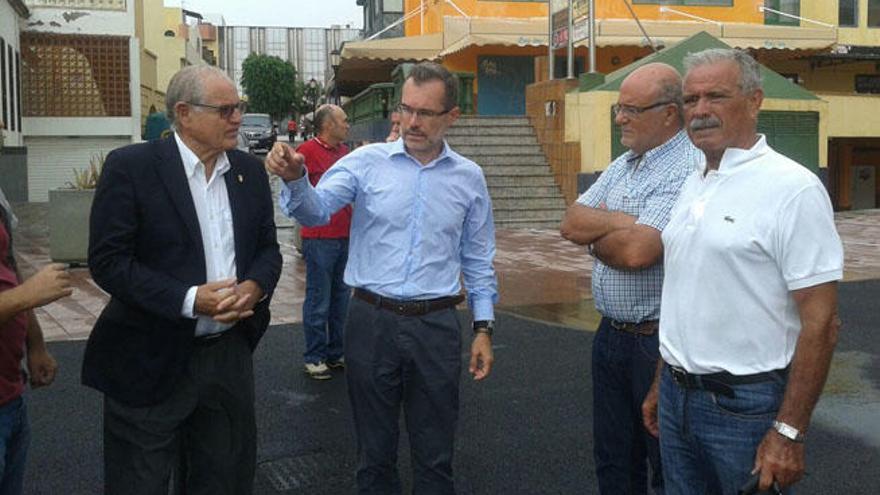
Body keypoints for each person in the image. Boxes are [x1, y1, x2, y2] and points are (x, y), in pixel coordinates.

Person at [266, 61, 497, 494]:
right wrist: (297, 178)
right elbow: (315, 211)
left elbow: (479, 258)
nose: (411, 121)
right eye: (406, 109)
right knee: (374, 457)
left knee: (435, 458)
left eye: (425, 113)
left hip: (437, 326)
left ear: (451, 117)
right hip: (371, 321)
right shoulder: (365, 163)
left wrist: (483, 326)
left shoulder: (469, 178)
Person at [642, 48, 844, 495]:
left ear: (755, 101)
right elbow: (684, 292)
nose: (700, 111)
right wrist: (662, 381)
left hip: (744, 408)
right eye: (691, 100)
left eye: (715, 96)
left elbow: (822, 322)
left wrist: (789, 432)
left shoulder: (792, 189)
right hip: (678, 399)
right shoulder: (694, 179)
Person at [82, 65, 282, 495]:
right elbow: (108, 261)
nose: (237, 119)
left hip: (226, 355)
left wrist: (255, 287)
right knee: (141, 481)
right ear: (185, 113)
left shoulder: (248, 172)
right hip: (149, 355)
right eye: (225, 109)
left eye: (239, 108)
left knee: (224, 479)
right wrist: (190, 299)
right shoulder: (132, 167)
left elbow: (268, 248)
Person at [560, 63, 700, 495]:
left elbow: (638, 253)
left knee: (665, 461)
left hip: (656, 344)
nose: (619, 118)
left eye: (630, 110)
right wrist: (625, 222)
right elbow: (570, 221)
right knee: (613, 459)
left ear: (669, 114)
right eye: (619, 108)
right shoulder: (625, 163)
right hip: (611, 337)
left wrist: (603, 234)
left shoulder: (688, 168)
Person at [0, 186, 69, 495]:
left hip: (9, 396)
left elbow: (8, 264)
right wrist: (26, 296)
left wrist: (35, 343)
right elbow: (19, 291)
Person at [293, 103, 352, 380]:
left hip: (344, 235)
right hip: (319, 238)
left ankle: (335, 352)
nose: (347, 125)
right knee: (319, 298)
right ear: (328, 125)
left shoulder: (346, 153)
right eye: (343, 120)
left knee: (341, 298)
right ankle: (314, 356)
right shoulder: (305, 152)